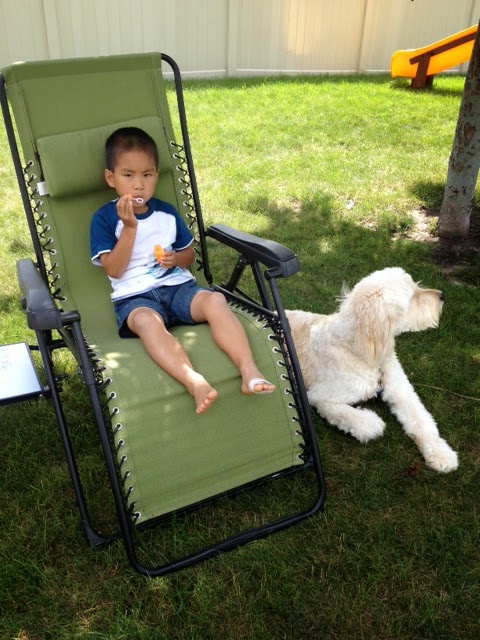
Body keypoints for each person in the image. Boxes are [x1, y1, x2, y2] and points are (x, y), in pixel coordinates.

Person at [90, 127, 275, 414]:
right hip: (136, 298)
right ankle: (194, 381)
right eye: (128, 175)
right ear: (111, 178)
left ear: (156, 175)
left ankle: (249, 370)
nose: (138, 185)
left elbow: (188, 255)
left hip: (178, 288)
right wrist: (129, 228)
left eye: (147, 175)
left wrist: (175, 259)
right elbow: (113, 270)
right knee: (147, 322)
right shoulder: (104, 218)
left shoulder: (166, 213)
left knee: (215, 300)